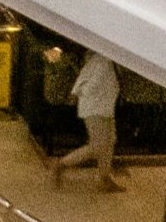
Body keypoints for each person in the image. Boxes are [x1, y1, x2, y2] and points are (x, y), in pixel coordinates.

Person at [50, 49, 123, 192]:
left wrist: (77, 92)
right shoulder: (103, 61)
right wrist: (81, 94)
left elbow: (83, 76)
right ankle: (60, 164)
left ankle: (105, 179)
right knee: (97, 146)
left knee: (109, 141)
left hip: (104, 107)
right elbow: (91, 85)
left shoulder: (102, 59)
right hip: (95, 109)